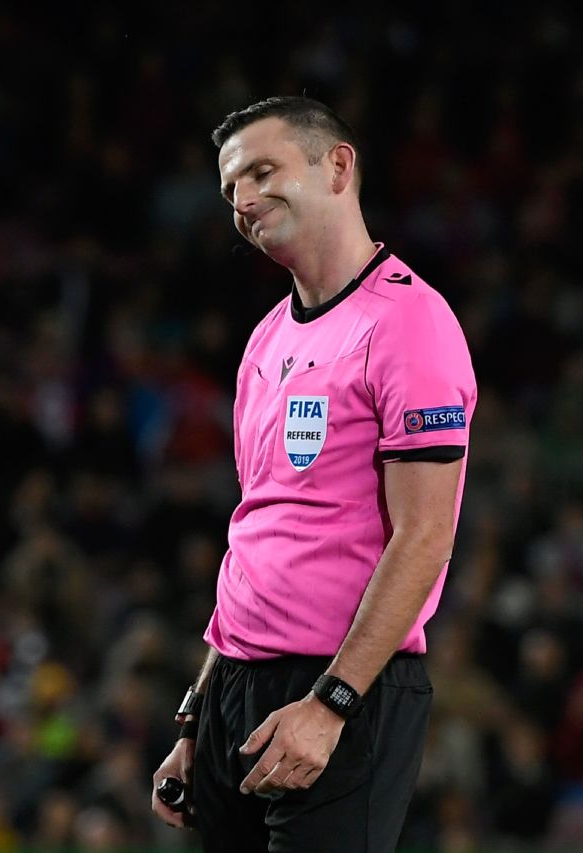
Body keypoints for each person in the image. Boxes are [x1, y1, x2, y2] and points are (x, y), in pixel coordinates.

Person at [149, 96, 476, 851]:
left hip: (343, 687)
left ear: (337, 166)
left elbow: (426, 536)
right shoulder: (265, 339)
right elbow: (256, 535)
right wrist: (198, 715)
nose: (246, 200)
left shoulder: (409, 323)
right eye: (232, 189)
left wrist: (329, 703)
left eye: (264, 171)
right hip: (237, 687)